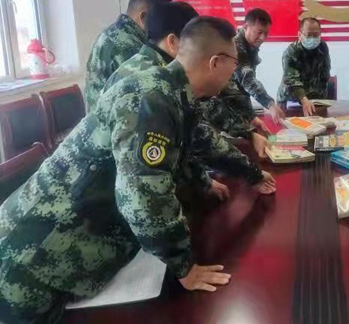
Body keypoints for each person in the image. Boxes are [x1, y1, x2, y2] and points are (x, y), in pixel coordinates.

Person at [0, 17, 276, 323]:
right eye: (233, 65)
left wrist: (252, 174)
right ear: (215, 63)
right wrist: (183, 265)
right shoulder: (151, 99)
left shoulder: (172, 91)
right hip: (34, 256)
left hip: (64, 244)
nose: (233, 73)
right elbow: (145, 196)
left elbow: (205, 142)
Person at [103, 2, 270, 202]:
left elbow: (192, 131)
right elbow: (144, 193)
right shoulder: (150, 87)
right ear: (174, 42)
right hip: (106, 199)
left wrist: (209, 178)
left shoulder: (174, 78)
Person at [84, 0, 172, 110]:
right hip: (111, 117)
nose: (164, 26)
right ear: (143, 17)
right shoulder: (124, 44)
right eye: (162, 19)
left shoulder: (121, 33)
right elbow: (151, 89)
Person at [233, 9, 286, 125]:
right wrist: (270, 104)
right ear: (246, 27)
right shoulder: (236, 46)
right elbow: (247, 79)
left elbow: (244, 88)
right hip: (225, 108)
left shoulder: (250, 46)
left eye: (266, 33)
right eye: (259, 32)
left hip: (238, 107)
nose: (263, 38)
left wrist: (251, 116)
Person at [277, 17, 331, 117]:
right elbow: (292, 80)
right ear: (299, 35)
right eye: (309, 35)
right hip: (291, 100)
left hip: (314, 99)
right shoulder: (291, 52)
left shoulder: (322, 47)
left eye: (316, 35)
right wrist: (303, 99)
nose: (313, 39)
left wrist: (322, 100)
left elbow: (325, 72)